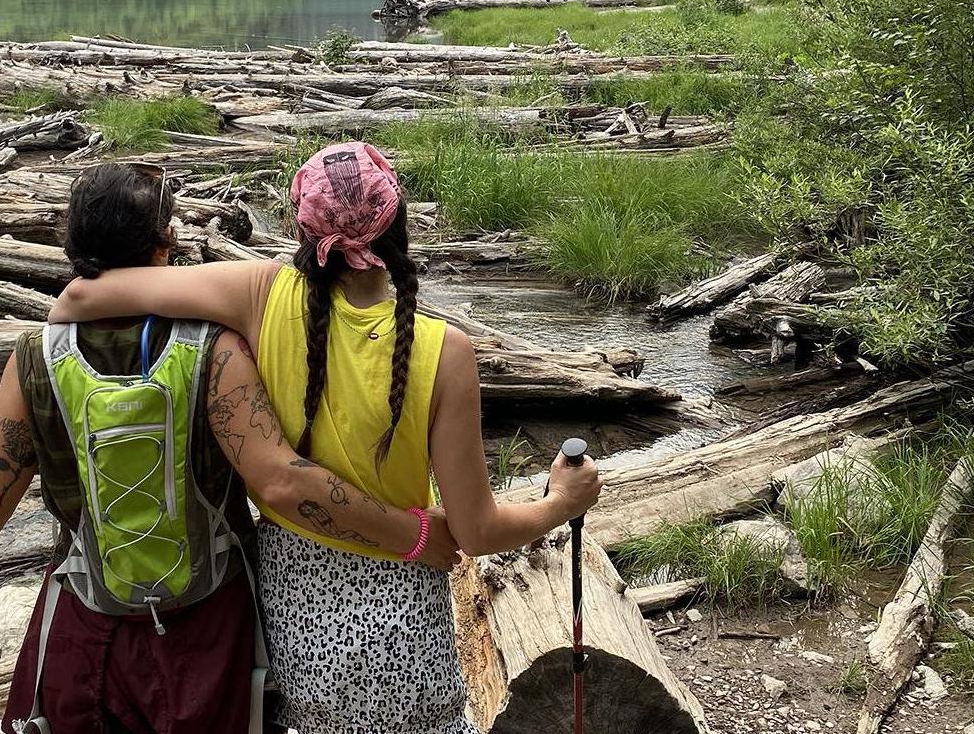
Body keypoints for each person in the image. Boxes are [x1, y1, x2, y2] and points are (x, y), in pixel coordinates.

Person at [0, 163, 457, 734]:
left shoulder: (34, 359)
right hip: (209, 629)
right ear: (164, 244)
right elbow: (281, 480)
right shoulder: (215, 349)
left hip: (89, 625)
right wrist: (419, 536)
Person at [49, 142, 603, 734]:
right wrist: (561, 502)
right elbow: (478, 532)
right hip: (406, 626)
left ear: (301, 229)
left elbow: (77, 298)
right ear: (398, 225)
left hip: (291, 618)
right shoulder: (445, 353)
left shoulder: (259, 292)